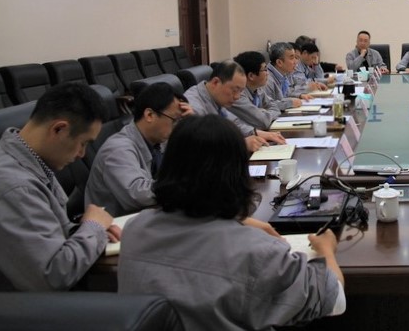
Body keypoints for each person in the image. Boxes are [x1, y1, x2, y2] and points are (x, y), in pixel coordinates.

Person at [118, 114, 345, 330]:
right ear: (237, 173)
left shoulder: (135, 229)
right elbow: (334, 300)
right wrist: (326, 250)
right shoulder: (255, 251)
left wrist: (235, 221)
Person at [0, 83, 120, 290]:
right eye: (83, 143)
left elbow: (50, 232)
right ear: (59, 129)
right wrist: (94, 226)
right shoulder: (15, 187)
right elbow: (52, 278)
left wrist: (83, 230)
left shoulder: (31, 161)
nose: (82, 154)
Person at [85, 83, 193, 217]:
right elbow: (138, 195)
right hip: (116, 224)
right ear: (149, 115)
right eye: (175, 120)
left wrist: (192, 127)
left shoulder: (160, 140)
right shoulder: (117, 149)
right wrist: (185, 185)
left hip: (148, 216)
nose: (177, 126)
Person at [184, 60, 284, 151]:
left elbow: (234, 123)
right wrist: (241, 144)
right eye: (235, 90)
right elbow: (200, 147)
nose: (237, 97)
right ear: (215, 82)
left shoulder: (216, 98)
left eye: (241, 91)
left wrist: (256, 133)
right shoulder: (193, 106)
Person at [230, 51, 283, 130]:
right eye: (265, 69)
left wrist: (262, 113)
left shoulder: (258, 89)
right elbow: (262, 122)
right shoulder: (238, 95)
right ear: (251, 76)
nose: (267, 73)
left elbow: (275, 108)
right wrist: (262, 113)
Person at [265, 42, 311, 110]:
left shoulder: (283, 74)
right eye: (292, 58)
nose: (296, 62)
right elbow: (267, 105)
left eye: (296, 58)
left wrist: (299, 95)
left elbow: (286, 94)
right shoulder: (266, 79)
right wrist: (290, 103)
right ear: (279, 62)